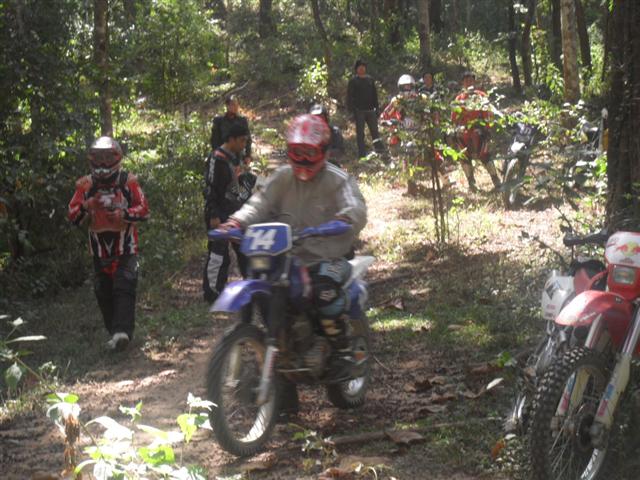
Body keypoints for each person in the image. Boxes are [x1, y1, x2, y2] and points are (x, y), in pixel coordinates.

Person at [220, 114, 367, 414]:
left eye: (309, 152)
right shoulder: (282, 177)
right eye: (296, 151)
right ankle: (283, 390)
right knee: (271, 303)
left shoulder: (337, 179)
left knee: (324, 292)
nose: (302, 158)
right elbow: (258, 204)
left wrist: (344, 218)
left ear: (323, 151)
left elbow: (356, 206)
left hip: (329, 258)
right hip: (286, 258)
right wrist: (236, 221)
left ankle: (342, 352)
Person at [68, 136, 150, 351]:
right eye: (98, 158)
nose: (103, 163)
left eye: (107, 157)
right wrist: (87, 205)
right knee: (103, 291)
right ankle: (115, 333)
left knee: (125, 284)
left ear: (117, 157)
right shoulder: (85, 185)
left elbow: (144, 209)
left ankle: (123, 332)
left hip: (126, 245)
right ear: (91, 158)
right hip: (98, 248)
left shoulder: (128, 181)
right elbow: (72, 215)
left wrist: (124, 214)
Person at [203, 123, 252, 303]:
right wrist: (214, 214)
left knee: (245, 251)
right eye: (242, 141)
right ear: (231, 139)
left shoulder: (235, 157)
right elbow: (210, 188)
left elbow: (235, 185)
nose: (244, 145)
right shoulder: (216, 158)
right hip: (219, 213)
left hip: (236, 213)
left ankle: (252, 287)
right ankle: (213, 292)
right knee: (218, 254)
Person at [451, 71, 501, 191]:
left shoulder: (481, 96)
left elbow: (488, 114)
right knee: (464, 157)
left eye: (471, 80)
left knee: (485, 156)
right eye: (466, 80)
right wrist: (456, 130)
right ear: (462, 83)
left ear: (474, 81)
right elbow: (454, 118)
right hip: (464, 133)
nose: (468, 82)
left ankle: (496, 181)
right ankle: (471, 183)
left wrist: (486, 128)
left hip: (479, 132)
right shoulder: (459, 98)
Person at [346, 59, 384, 158]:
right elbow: (349, 97)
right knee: (360, 134)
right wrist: (352, 111)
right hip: (359, 111)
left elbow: (374, 95)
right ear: (356, 69)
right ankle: (362, 154)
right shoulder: (353, 81)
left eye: (363, 67)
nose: (362, 69)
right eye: (360, 67)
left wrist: (377, 108)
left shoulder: (370, 80)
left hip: (371, 110)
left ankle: (380, 151)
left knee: (375, 131)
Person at [210, 94, 252, 163]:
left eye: (237, 105)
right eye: (233, 105)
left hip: (238, 155)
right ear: (227, 106)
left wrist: (248, 155)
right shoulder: (219, 121)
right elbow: (214, 140)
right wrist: (217, 154)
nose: (235, 107)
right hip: (223, 154)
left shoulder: (242, 120)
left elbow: (248, 139)